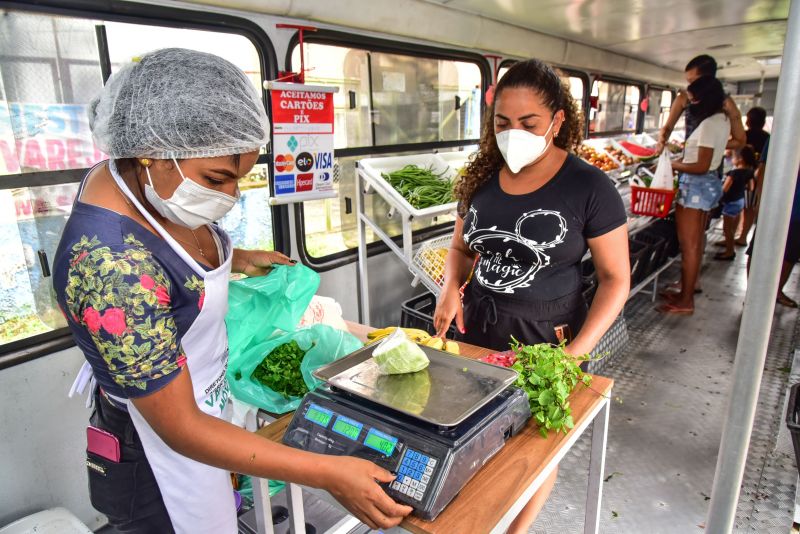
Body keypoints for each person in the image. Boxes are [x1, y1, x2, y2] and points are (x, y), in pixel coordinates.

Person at [52, 49, 411, 534]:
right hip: (159, 455)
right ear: (150, 150)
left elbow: (172, 257)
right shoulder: (111, 269)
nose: (230, 197)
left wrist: (238, 259)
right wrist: (329, 471)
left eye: (240, 179)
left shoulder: (141, 184)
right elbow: (180, 427)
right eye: (217, 180)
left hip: (206, 411)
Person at [432, 59, 630, 533]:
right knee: (472, 429)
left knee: (535, 445)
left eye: (528, 123)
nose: (512, 133)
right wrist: (449, 289)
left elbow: (615, 279)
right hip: (477, 327)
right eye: (503, 123)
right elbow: (461, 246)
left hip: (550, 338)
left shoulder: (589, 187)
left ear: (558, 121)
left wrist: (575, 354)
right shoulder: (480, 178)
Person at [658, 76, 730, 315]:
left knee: (688, 246)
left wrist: (672, 164)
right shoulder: (722, 120)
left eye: (694, 99)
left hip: (696, 187)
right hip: (706, 186)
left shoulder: (709, 124)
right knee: (696, 243)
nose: (691, 104)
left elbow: (701, 165)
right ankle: (685, 291)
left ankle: (685, 300)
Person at [746, 138, 800, 308]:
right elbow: (763, 168)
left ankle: (775, 291)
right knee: (759, 248)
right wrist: (760, 200)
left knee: (790, 252)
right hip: (775, 203)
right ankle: (752, 292)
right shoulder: (785, 127)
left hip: (796, 209)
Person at [658, 54, 745, 154]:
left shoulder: (726, 103)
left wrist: (706, 145)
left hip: (712, 165)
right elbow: (667, 128)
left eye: (693, 81)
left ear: (707, 79)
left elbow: (740, 141)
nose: (690, 86)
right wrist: (662, 139)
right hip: (687, 161)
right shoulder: (684, 98)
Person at [714, 145, 756, 261]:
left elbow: (724, 189)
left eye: (733, 157)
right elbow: (751, 187)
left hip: (731, 202)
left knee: (727, 228)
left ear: (740, 159)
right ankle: (729, 244)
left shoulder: (733, 173)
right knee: (733, 228)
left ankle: (729, 251)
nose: (731, 159)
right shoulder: (749, 172)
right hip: (740, 201)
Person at [737, 107, 771, 245]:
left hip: (742, 177)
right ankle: (742, 235)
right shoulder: (767, 138)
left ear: (749, 121)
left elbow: (734, 156)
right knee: (749, 207)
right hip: (756, 178)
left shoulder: (743, 137)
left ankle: (739, 236)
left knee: (741, 207)